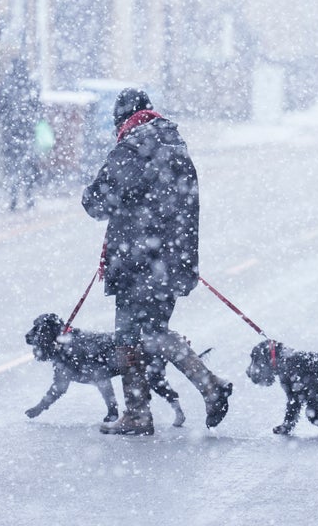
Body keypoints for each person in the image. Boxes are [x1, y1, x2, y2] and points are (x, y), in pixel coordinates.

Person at [82, 88, 232, 436]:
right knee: (149, 333)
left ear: (122, 119)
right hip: (171, 261)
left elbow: (97, 202)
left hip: (138, 261)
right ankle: (181, 396)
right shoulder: (174, 145)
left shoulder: (132, 148)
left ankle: (149, 409)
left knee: (130, 337)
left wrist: (94, 194)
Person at [0, 58, 40, 210]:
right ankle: (28, 197)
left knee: (12, 166)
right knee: (27, 165)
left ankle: (13, 198)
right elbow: (37, 105)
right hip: (27, 131)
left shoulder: (7, 84)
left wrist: (6, 122)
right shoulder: (30, 84)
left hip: (10, 132)